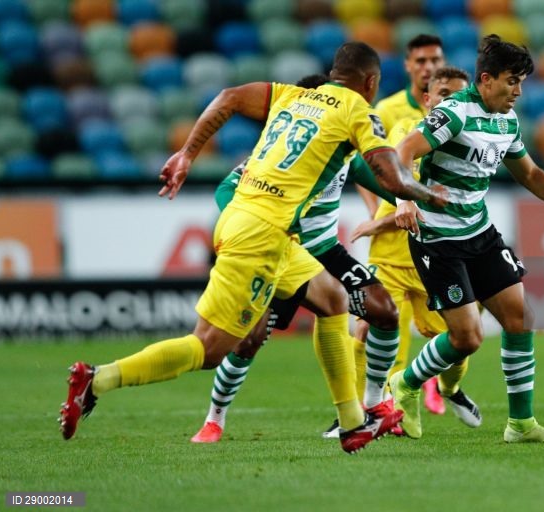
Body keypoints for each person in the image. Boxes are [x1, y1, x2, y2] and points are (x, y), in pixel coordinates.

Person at [59, 42, 447, 454]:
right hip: (261, 234)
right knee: (209, 349)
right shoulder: (357, 109)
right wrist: (430, 196)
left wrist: (188, 154)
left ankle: (354, 422)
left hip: (261, 225)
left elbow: (227, 98)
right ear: (371, 82)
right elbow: (389, 176)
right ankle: (97, 378)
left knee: (333, 299)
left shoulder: (292, 95)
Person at [389, 35, 544, 442]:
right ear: (486, 80)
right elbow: (401, 152)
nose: (518, 92)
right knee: (467, 339)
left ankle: (521, 425)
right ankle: (404, 383)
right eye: (512, 82)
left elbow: (530, 174)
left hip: (480, 233)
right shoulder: (454, 114)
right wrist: (405, 201)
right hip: (438, 239)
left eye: (521, 82)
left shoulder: (506, 121)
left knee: (520, 318)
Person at [191, 126, 404, 443]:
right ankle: (214, 419)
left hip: (326, 253)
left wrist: (410, 202)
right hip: (281, 252)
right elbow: (226, 190)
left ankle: (373, 406)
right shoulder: (278, 155)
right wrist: (256, 224)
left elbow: (388, 184)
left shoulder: (345, 154)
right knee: (250, 339)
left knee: (385, 312)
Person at [350, 67, 481, 431]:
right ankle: (366, 412)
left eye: (458, 96)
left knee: (462, 340)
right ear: (427, 99)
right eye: (442, 94)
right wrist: (383, 212)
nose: (449, 101)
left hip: (435, 257)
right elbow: (384, 170)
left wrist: (378, 221)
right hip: (390, 257)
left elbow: (444, 204)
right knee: (372, 329)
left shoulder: (467, 142)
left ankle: (449, 387)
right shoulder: (407, 132)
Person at [359, 33, 449, 416]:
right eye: (422, 61)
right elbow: (368, 162)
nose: (429, 66)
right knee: (386, 326)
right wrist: (375, 209)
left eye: (435, 60)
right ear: (409, 66)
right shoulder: (390, 110)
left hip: (434, 234)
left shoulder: (453, 109)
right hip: (396, 227)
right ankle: (380, 405)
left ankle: (433, 385)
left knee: (447, 327)